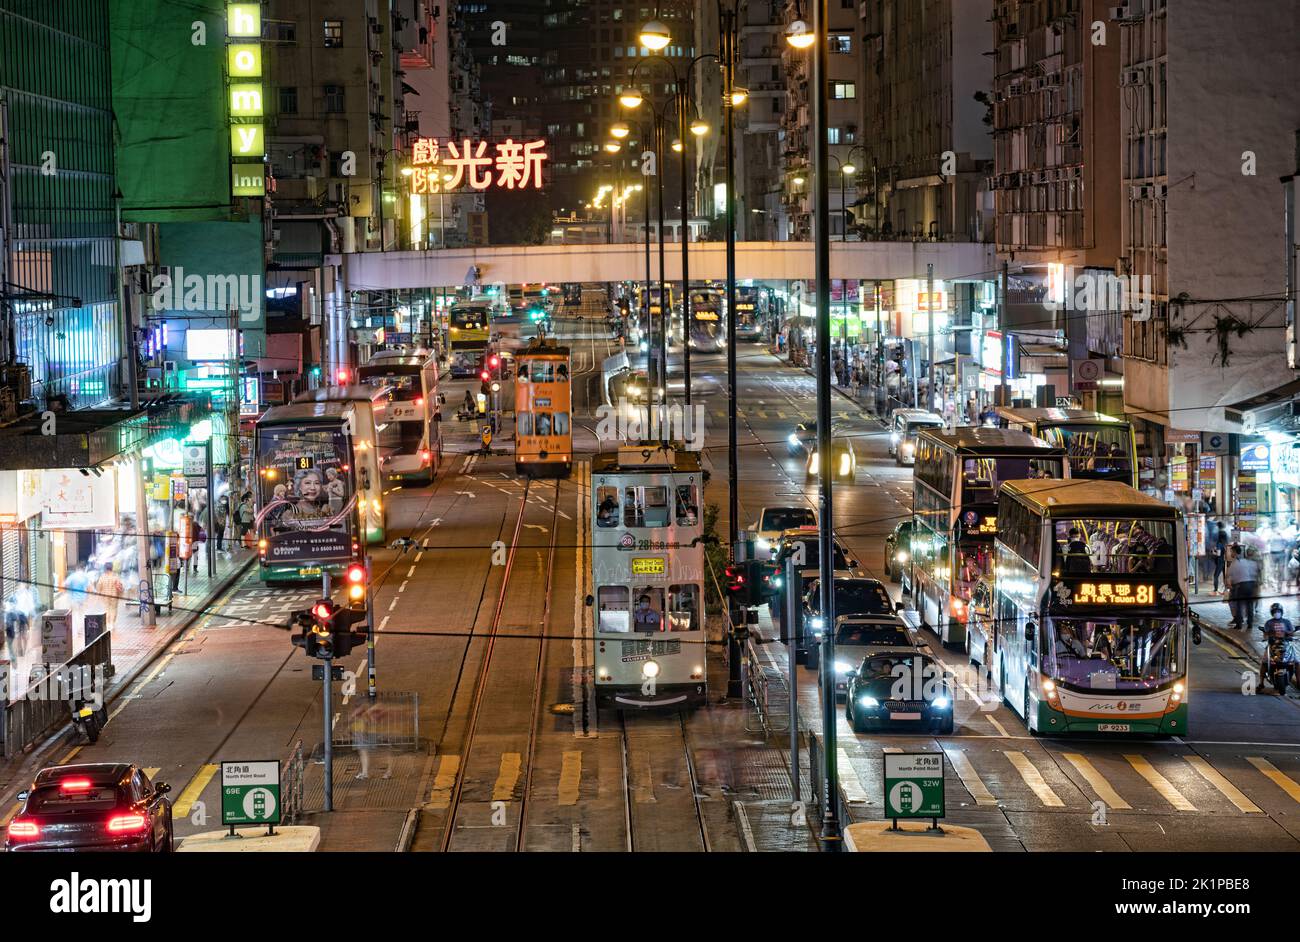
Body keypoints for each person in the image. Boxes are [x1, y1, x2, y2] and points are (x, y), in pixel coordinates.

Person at [1226, 543, 1263, 631]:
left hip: (1240, 586)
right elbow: (1255, 571)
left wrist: (1229, 584)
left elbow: (1229, 576)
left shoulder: (1234, 563)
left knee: (1238, 604)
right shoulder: (1248, 562)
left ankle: (1239, 624)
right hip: (1250, 584)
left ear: (1234, 552)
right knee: (1249, 605)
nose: (1231, 553)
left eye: (1231, 551)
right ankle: (1249, 623)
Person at [95, 562, 124, 632]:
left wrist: (98, 594)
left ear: (105, 568)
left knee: (107, 609)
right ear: (112, 568)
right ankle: (112, 624)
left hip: (105, 596)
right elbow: (120, 586)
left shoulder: (102, 577)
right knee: (113, 609)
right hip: (114, 595)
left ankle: (108, 624)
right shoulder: (115, 576)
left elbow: (98, 586)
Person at [1211, 525, 1228, 592]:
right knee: (1225, 576)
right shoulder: (1226, 543)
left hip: (1220, 561)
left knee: (1216, 576)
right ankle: (1225, 590)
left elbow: (1218, 554)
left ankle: (1215, 589)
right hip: (1225, 561)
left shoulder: (1219, 543)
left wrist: (1213, 552)